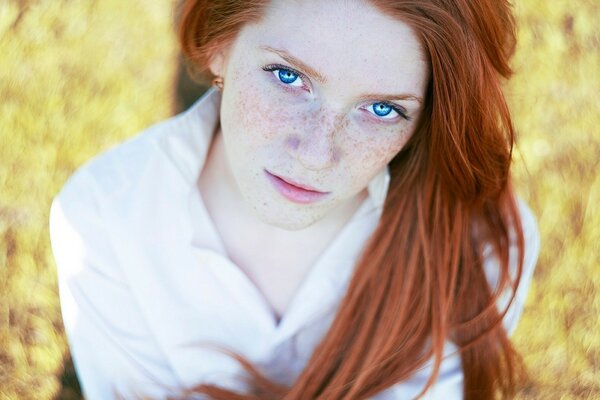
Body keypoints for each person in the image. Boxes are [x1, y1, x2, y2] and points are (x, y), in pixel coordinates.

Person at [49, 0, 541, 399]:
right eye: (288, 77)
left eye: (382, 108)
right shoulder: (104, 220)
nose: (316, 154)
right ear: (219, 44)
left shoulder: (480, 247)